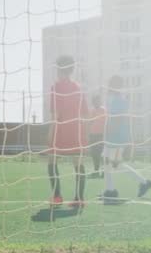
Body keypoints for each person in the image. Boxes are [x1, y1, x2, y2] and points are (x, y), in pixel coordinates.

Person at [102, 75, 151, 204]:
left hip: (116, 136)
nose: (108, 86)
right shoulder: (117, 98)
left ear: (114, 86)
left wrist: (108, 133)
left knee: (108, 161)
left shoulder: (118, 99)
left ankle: (110, 191)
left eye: (110, 84)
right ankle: (144, 182)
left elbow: (117, 119)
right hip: (120, 136)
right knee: (116, 163)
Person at [46, 55, 88, 208]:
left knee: (52, 161)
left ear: (59, 68)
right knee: (78, 164)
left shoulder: (56, 87)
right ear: (71, 69)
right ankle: (79, 199)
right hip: (77, 130)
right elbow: (85, 113)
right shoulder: (79, 87)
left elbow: (55, 115)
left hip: (61, 129)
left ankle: (57, 196)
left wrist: (50, 133)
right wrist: (84, 134)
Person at [88, 95, 106, 179]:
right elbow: (90, 122)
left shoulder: (104, 110)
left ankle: (104, 172)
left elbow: (107, 123)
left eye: (98, 101)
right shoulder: (92, 111)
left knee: (102, 154)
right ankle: (96, 172)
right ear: (93, 102)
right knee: (94, 154)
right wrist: (88, 134)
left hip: (101, 135)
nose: (96, 103)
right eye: (95, 101)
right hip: (93, 135)